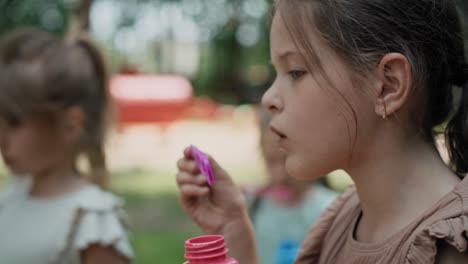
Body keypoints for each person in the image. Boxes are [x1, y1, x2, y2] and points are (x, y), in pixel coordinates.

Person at [176, 0, 468, 263]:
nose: (268, 99)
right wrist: (234, 229)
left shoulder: (449, 247)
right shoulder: (341, 219)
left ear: (388, 85)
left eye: (295, 72)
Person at [0, 29, 133, 264]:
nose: (1, 137)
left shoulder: (91, 223)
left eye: (14, 122)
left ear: (70, 125)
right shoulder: (12, 197)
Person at [246, 109, 337, 264]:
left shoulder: (331, 209)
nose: (280, 174)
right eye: (271, 161)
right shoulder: (252, 206)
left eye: (287, 159)